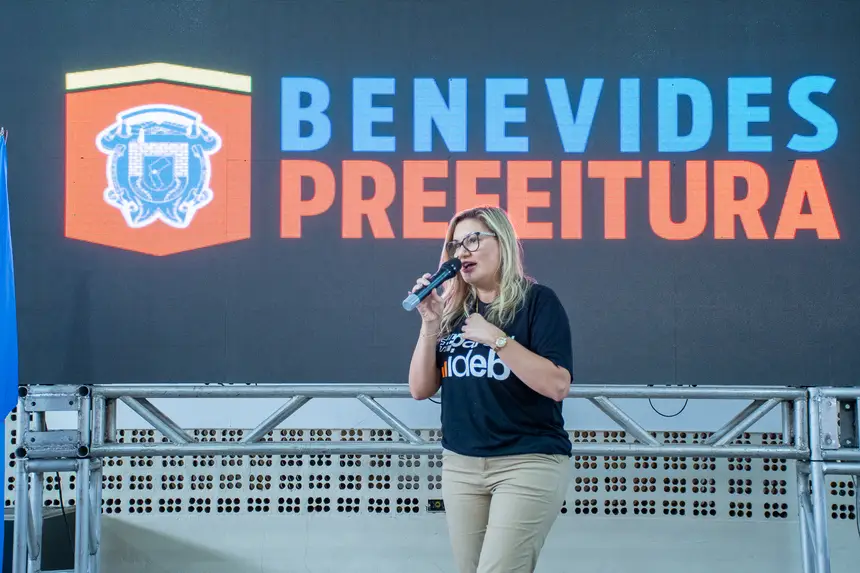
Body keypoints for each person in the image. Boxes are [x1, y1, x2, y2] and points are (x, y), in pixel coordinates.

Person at [407, 206, 574, 573]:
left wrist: (498, 340)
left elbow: (557, 385)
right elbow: (420, 388)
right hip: (462, 465)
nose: (462, 252)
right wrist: (430, 323)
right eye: (455, 245)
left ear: (503, 243)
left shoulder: (537, 302)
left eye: (472, 240)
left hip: (527, 461)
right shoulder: (453, 312)